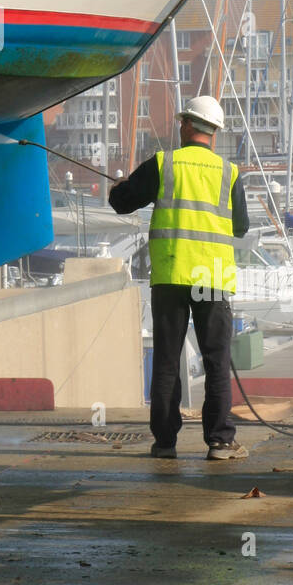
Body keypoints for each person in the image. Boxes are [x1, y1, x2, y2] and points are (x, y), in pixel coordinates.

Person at [109, 96, 250, 460]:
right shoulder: (229, 173)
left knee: (168, 360)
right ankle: (220, 442)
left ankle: (165, 443)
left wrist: (119, 187)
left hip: (171, 276)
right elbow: (241, 227)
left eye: (182, 121)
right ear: (214, 132)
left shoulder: (163, 164)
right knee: (216, 360)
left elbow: (123, 202)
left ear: (188, 125)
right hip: (212, 279)